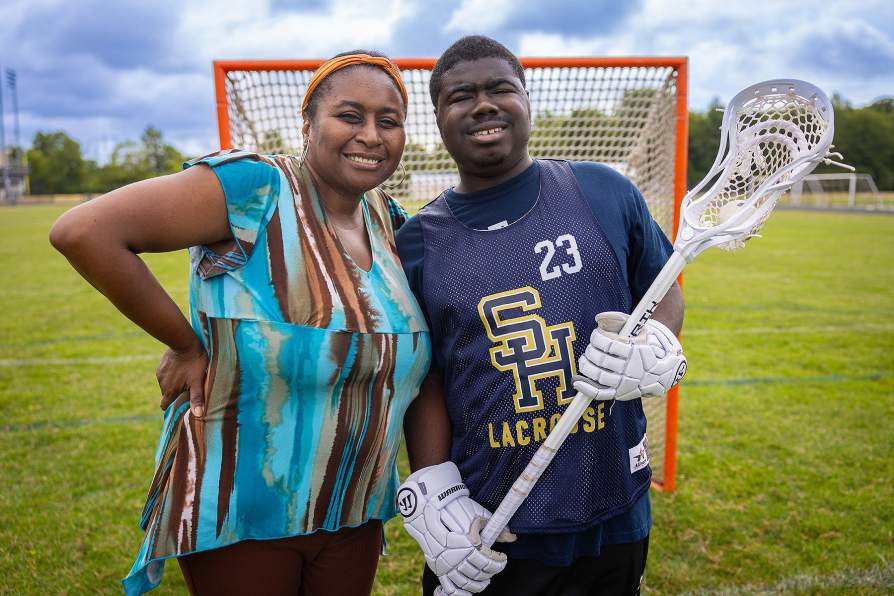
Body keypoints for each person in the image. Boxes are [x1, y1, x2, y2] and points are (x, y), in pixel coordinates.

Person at [49, 51, 431, 596]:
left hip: (353, 507)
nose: (370, 134)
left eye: (387, 121)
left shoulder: (389, 222)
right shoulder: (258, 189)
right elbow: (84, 232)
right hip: (241, 508)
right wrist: (185, 345)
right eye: (350, 115)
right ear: (308, 125)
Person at [395, 36, 686, 596]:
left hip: (615, 505)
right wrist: (431, 484)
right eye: (461, 95)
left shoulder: (603, 190)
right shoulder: (416, 243)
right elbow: (423, 375)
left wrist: (658, 341)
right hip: (492, 519)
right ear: (438, 117)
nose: (483, 104)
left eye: (500, 88)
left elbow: (663, 287)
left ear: (526, 100)